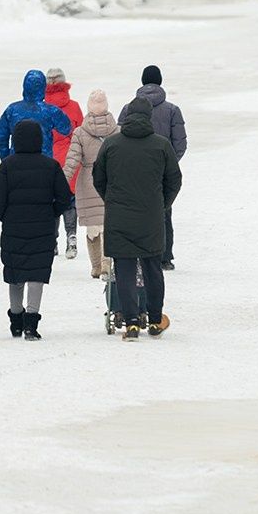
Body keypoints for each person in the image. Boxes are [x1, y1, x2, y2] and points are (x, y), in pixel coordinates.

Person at [93, 99, 183, 340]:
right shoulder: (161, 145)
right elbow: (174, 179)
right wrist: (161, 205)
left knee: (124, 269)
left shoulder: (111, 144)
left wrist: (111, 200)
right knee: (153, 269)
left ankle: (131, 323)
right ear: (148, 117)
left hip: (119, 217)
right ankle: (155, 320)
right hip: (151, 218)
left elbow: (98, 178)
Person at [0, 119, 73, 342]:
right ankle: (31, 324)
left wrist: (7, 217)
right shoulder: (51, 166)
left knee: (15, 273)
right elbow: (64, 197)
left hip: (13, 228)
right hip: (43, 228)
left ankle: (16, 320)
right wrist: (51, 213)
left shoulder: (7, 166)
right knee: (37, 273)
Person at [131, 66, 188, 268]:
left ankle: (138, 253)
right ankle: (165, 257)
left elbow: (119, 137)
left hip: (134, 170)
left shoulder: (129, 109)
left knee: (135, 212)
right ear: (160, 81)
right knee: (163, 212)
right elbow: (180, 143)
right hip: (162, 171)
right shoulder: (172, 110)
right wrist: (169, 163)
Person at [70, 90, 119, 279]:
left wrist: (60, 181)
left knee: (93, 227)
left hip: (88, 181)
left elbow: (72, 160)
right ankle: (107, 263)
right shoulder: (117, 131)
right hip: (111, 181)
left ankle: (96, 266)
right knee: (107, 224)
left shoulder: (80, 133)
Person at [42, 67, 84, 259]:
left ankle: (52, 242)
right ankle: (71, 236)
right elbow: (81, 133)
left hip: (49, 160)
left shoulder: (42, 108)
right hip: (70, 159)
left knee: (51, 201)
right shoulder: (74, 107)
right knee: (69, 200)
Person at [0, 69, 75, 160]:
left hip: (17, 162)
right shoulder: (51, 111)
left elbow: (1, 140)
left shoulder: (12, 110)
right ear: (43, 87)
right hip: (44, 161)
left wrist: (7, 159)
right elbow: (66, 129)